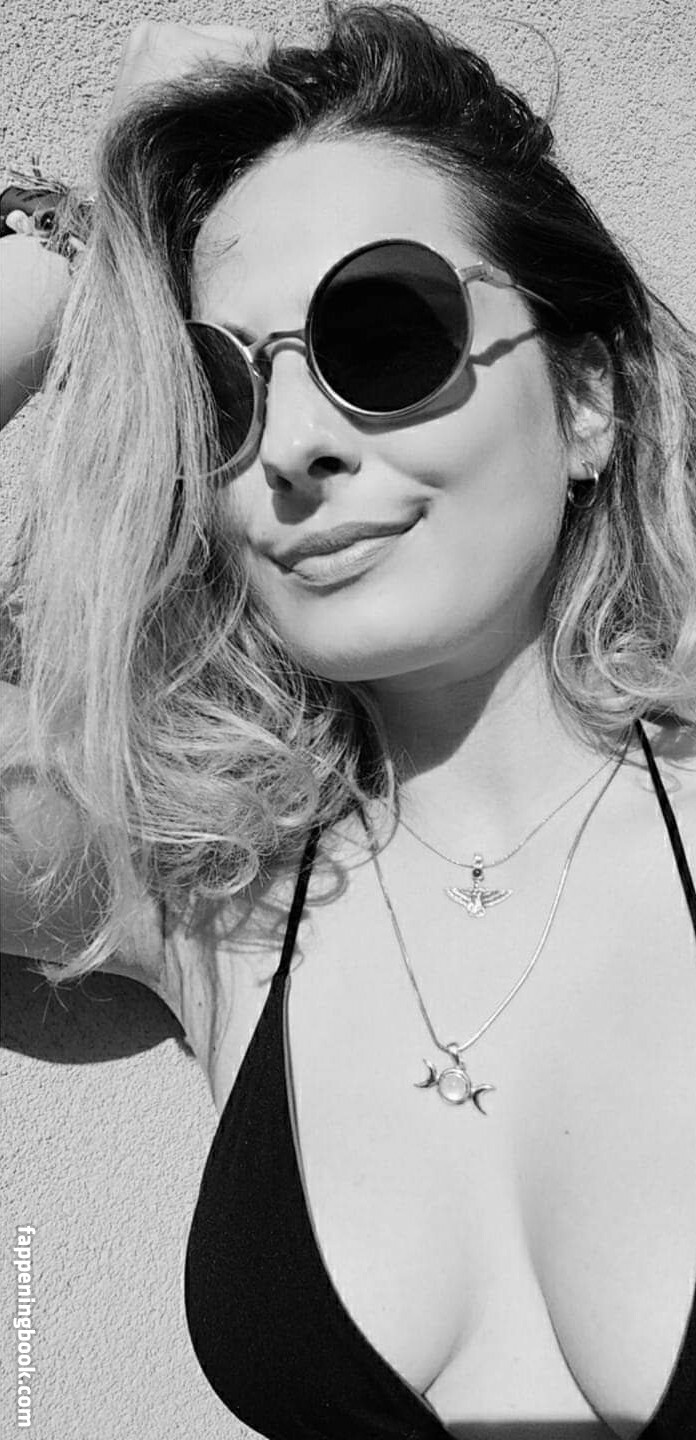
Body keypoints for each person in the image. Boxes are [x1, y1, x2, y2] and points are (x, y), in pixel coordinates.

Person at [1, 4, 695, 1436]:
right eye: (215, 389)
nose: (295, 444)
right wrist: (83, 243)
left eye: (383, 334)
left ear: (585, 400)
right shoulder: (209, 892)